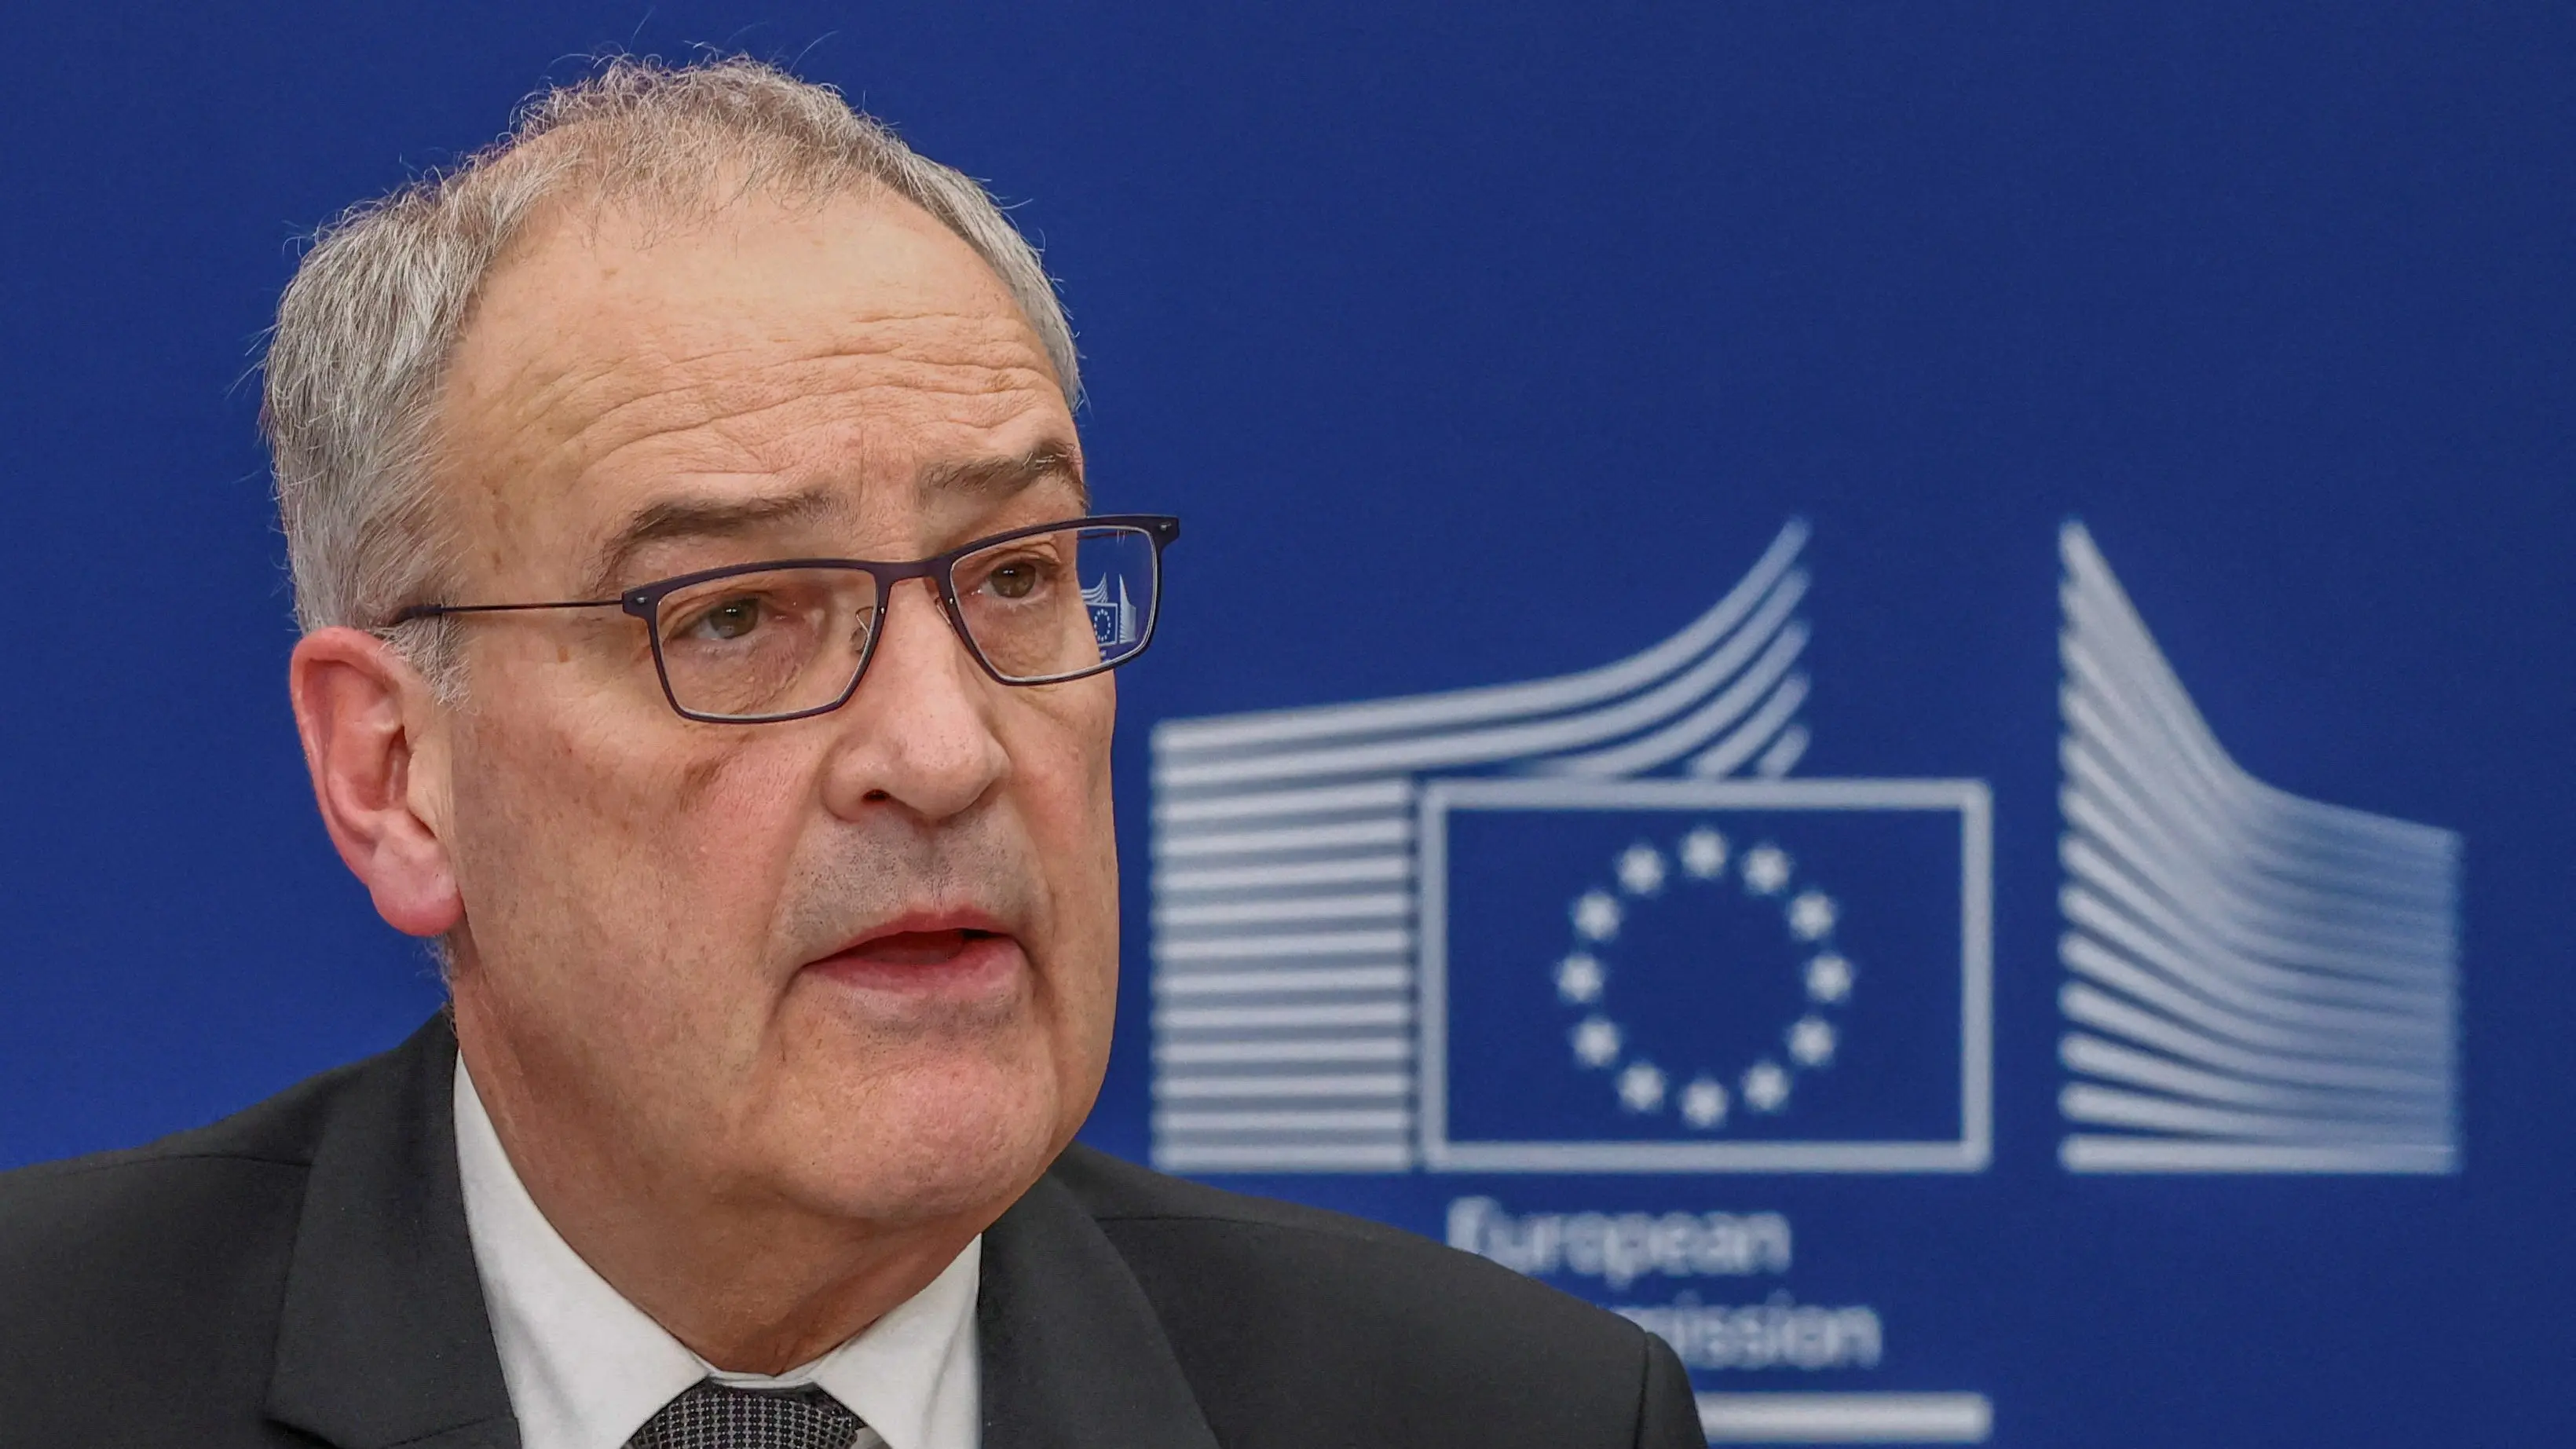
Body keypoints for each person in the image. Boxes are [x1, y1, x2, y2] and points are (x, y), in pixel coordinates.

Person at [0, 57, 1703, 1449]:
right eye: (734, 614)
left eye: (1017, 576)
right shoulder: (48, 1370)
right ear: (392, 773)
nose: (942, 749)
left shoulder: (1511, 1415)